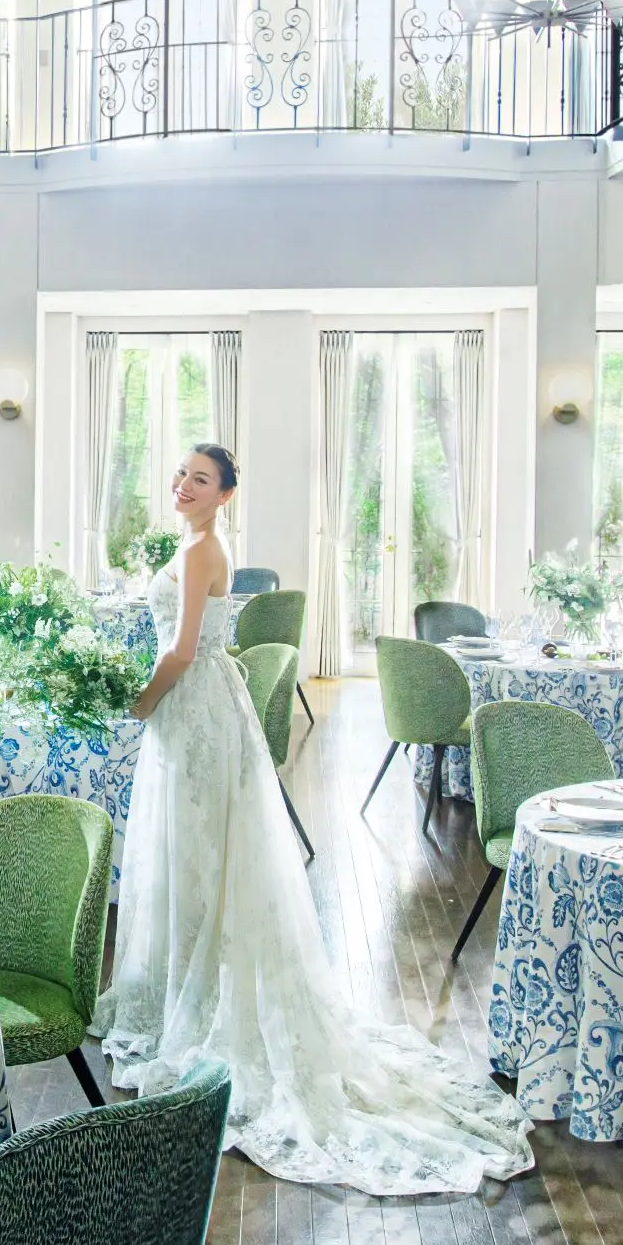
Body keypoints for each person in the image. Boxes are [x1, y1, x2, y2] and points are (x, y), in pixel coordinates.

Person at [95, 443, 535, 1195]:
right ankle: (177, 988)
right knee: (189, 855)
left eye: (199, 480)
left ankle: (199, 1000)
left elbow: (178, 652)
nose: (184, 485)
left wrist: (136, 706)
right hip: (197, 711)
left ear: (225, 494)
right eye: (181, 475)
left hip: (194, 708)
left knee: (201, 853)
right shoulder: (189, 542)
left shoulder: (205, 549)